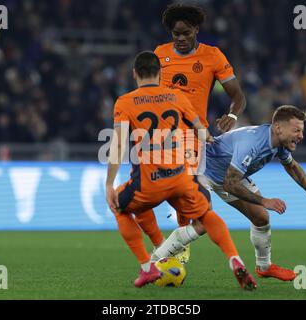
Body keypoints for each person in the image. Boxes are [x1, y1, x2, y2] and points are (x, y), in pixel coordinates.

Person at [105, 51, 256, 290]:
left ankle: (147, 267)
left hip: (149, 181)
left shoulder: (125, 102)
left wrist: (108, 184)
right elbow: (202, 131)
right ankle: (234, 259)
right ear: (160, 73)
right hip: (181, 178)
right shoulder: (176, 96)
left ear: (134, 73)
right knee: (206, 215)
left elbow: (120, 143)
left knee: (119, 206)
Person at [151, 105, 306, 281]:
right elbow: (230, 184)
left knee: (261, 218)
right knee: (202, 225)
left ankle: (264, 267)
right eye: (297, 131)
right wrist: (264, 200)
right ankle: (153, 262)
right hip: (203, 172)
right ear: (278, 128)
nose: (301, 136)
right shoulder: (253, 143)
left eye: (302, 131)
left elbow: (292, 167)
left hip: (229, 174)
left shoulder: (278, 143)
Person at [135, 3, 247, 264]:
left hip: (193, 137)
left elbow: (237, 95)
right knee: (162, 192)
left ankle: (179, 249)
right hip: (158, 138)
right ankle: (178, 237)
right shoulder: (160, 54)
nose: (181, 39)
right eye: (176, 34)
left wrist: (232, 115)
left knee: (186, 190)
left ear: (196, 29)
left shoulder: (213, 56)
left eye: (186, 33)